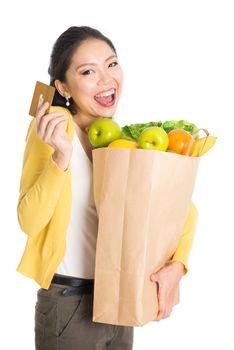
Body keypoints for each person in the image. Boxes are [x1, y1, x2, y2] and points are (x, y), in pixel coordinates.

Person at [16, 26, 198, 350]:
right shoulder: (54, 127)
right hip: (68, 305)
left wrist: (178, 265)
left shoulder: (116, 140)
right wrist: (60, 158)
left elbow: (182, 206)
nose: (106, 79)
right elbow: (28, 221)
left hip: (119, 299)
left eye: (111, 64)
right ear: (63, 87)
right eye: (88, 71)